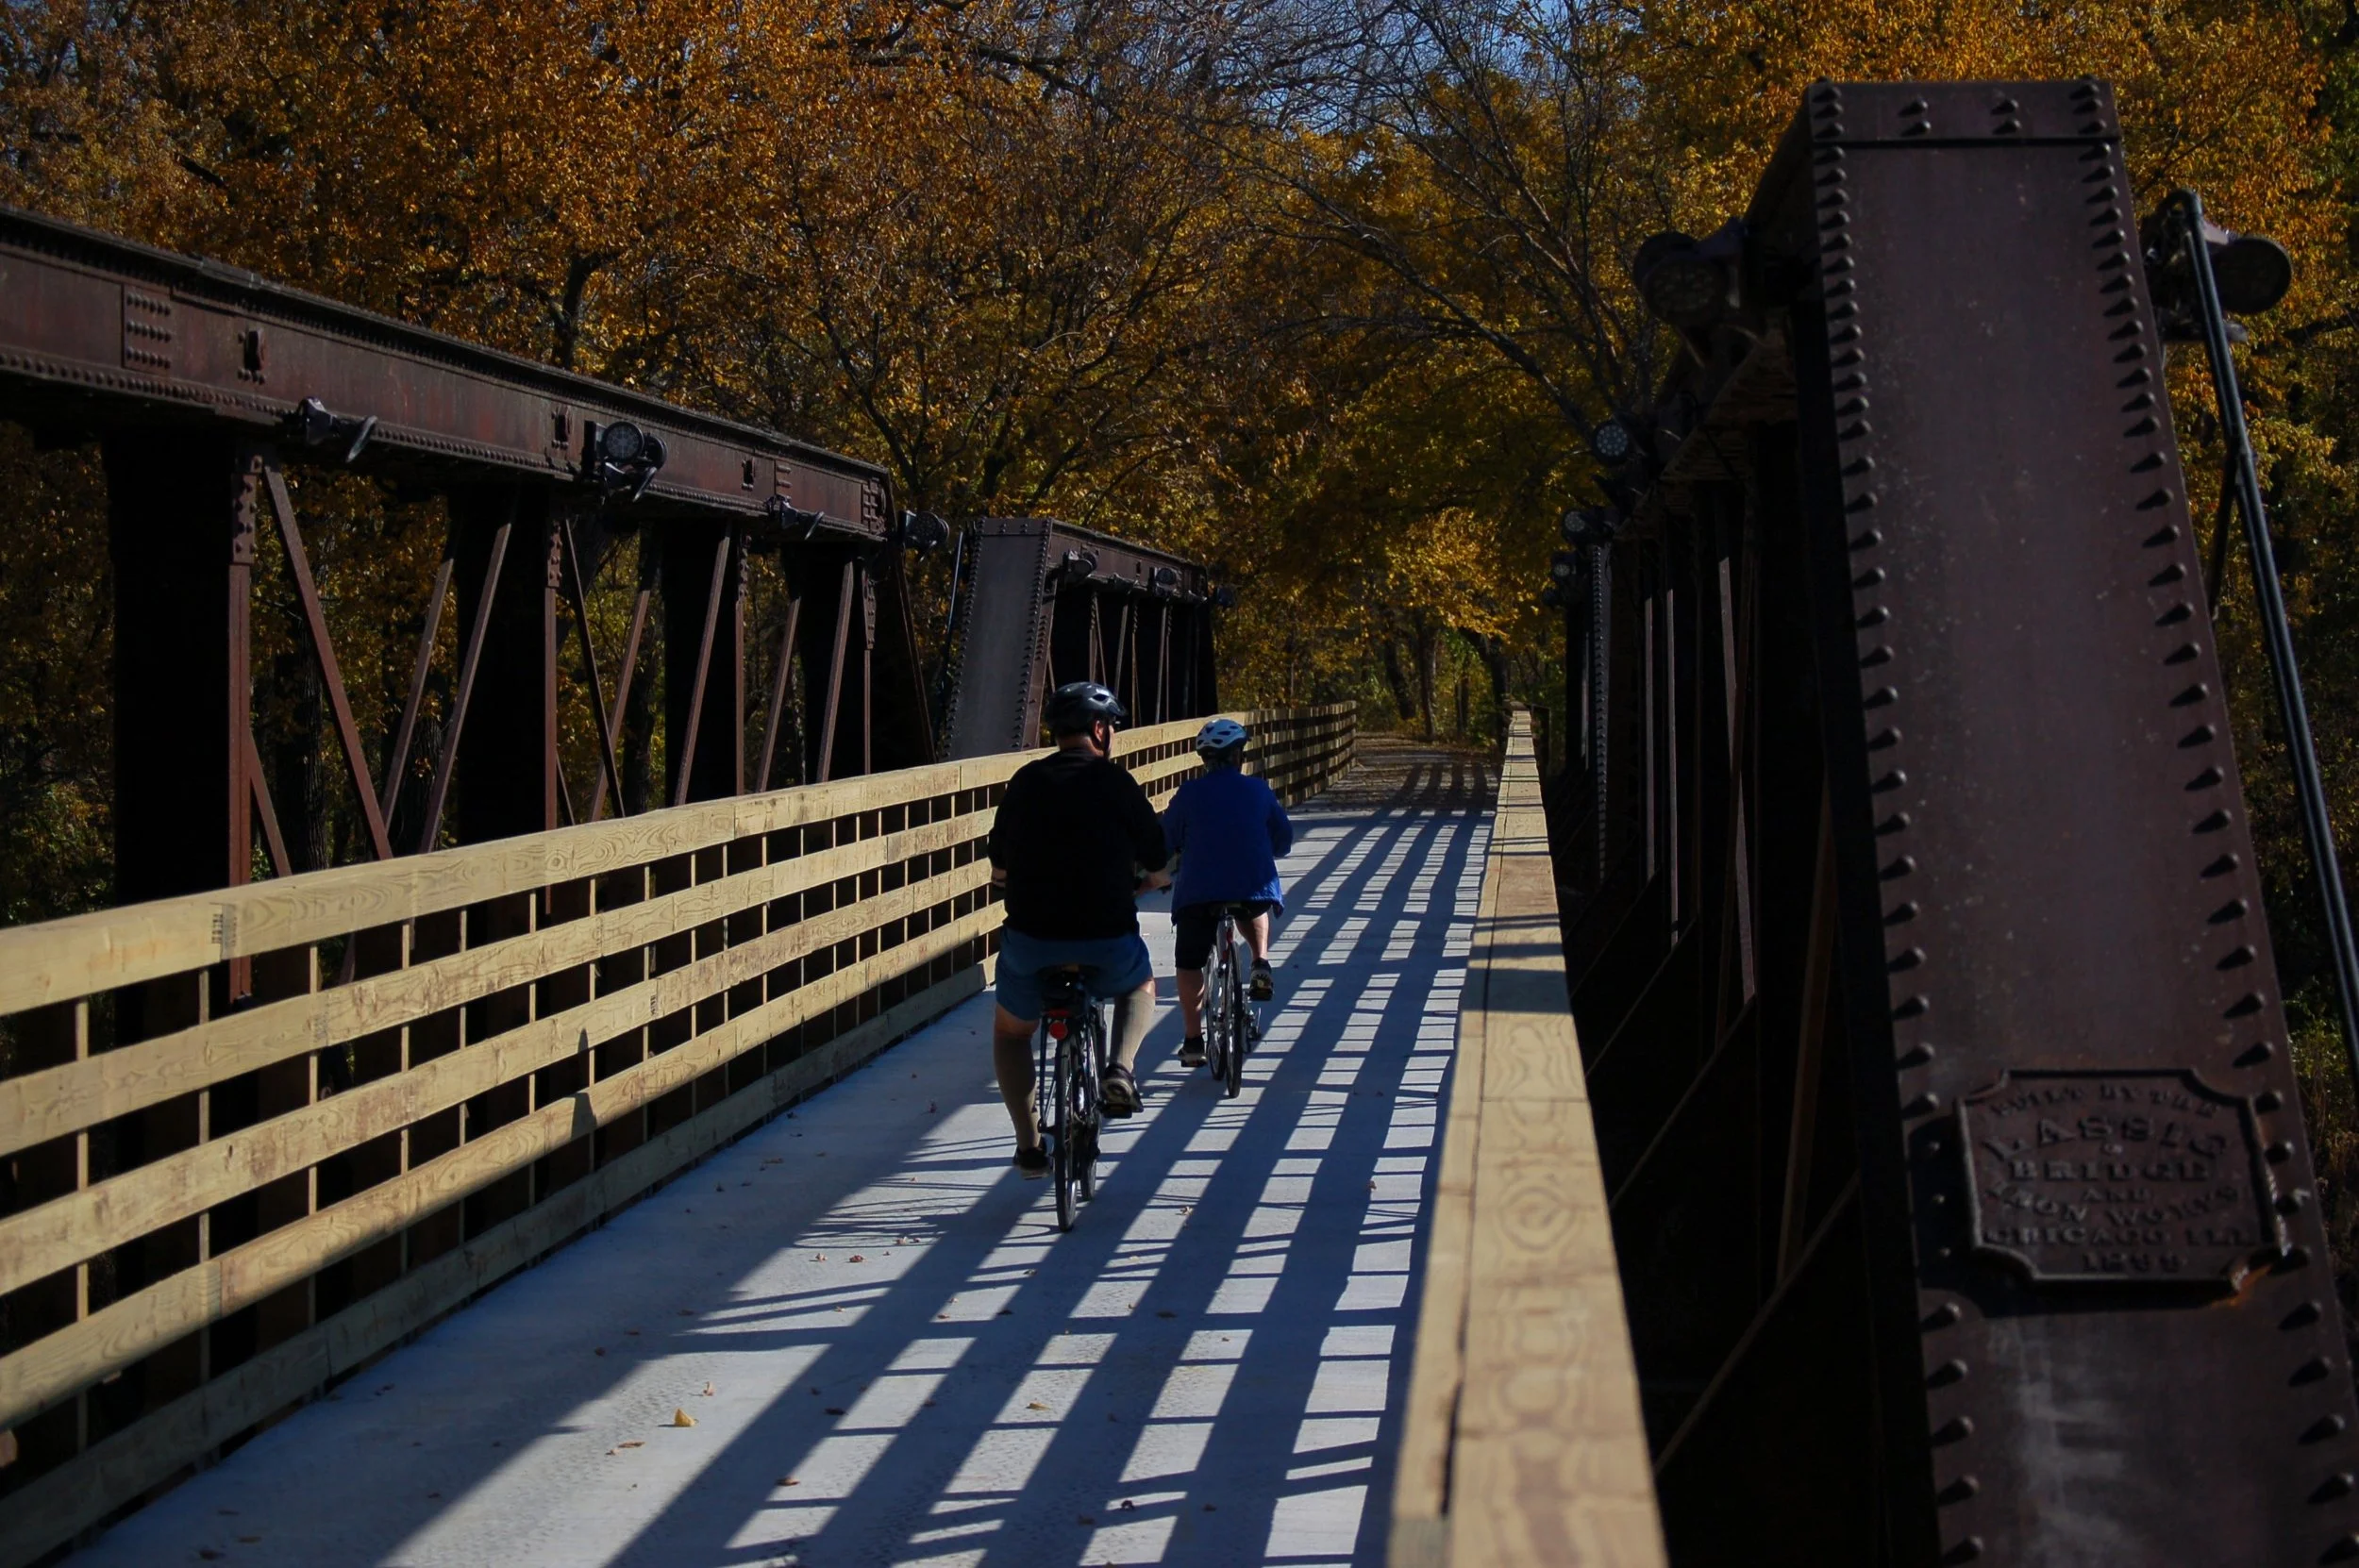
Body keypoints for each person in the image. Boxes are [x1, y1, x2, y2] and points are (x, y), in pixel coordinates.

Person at [986, 681, 1170, 1177]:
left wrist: (1007, 879)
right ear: (1098, 729)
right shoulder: (1117, 783)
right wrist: (1153, 877)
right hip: (1105, 936)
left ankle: (1028, 1148)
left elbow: (998, 860)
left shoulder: (1025, 782)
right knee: (1139, 983)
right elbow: (1156, 854)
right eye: (1111, 726)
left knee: (1011, 1033)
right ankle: (1121, 1070)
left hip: (1031, 939)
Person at [1163, 717, 1292, 1068]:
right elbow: (1284, 841)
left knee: (1189, 961)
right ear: (1239, 756)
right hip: (1252, 885)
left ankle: (1193, 1041)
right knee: (1252, 902)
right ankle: (1260, 962)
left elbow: (1164, 842)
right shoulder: (1259, 790)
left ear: (1205, 759)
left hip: (1199, 892)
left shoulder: (1189, 794)